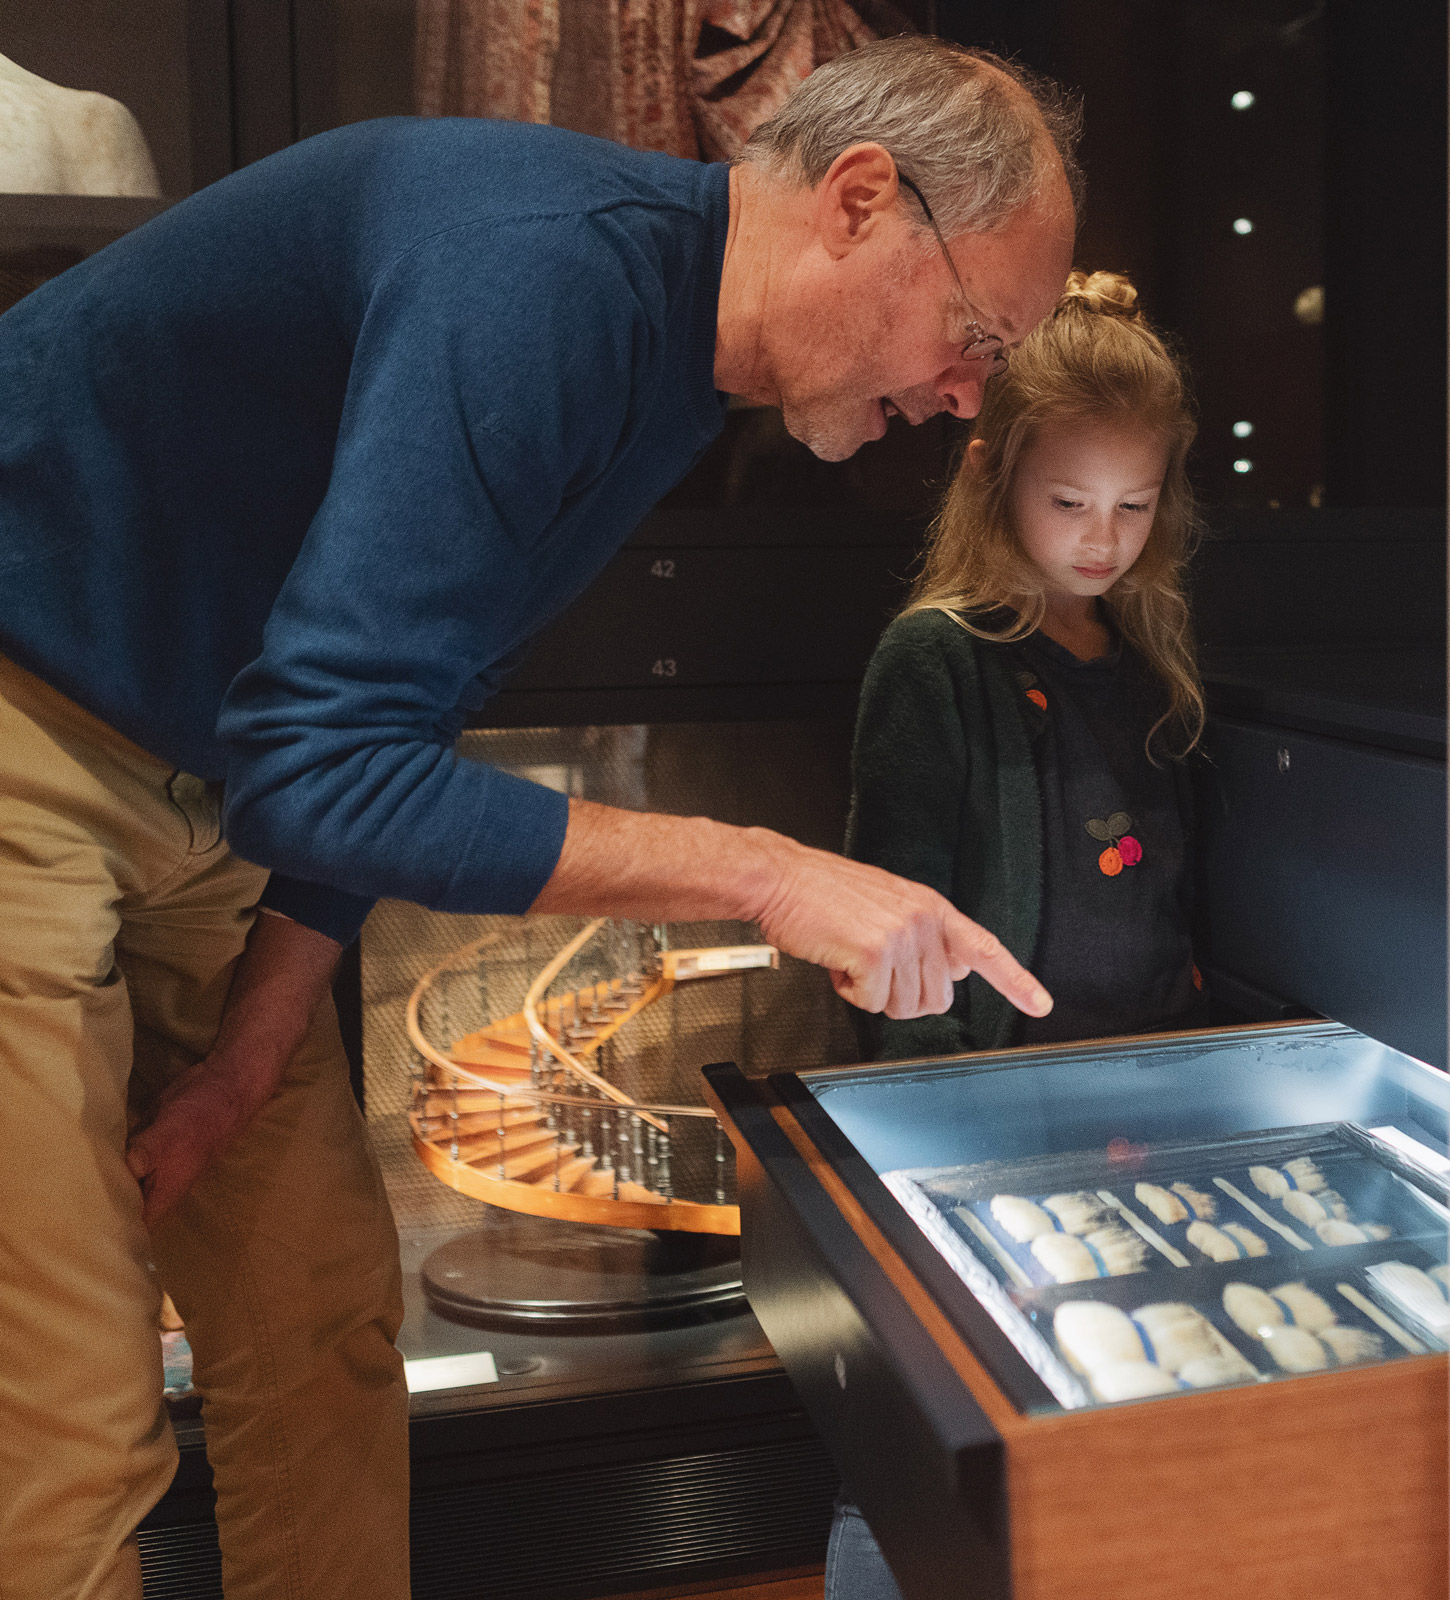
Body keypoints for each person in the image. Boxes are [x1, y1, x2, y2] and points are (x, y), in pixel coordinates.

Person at [0, 37, 1076, 1600]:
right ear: (860, 200)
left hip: (214, 788)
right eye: (977, 332)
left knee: (316, 1317)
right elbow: (325, 763)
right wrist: (765, 872)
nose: (968, 396)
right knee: (74, 1408)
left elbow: (386, 717)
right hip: (24, 726)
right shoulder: (536, 278)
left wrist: (245, 1061)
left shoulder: (669, 369)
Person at [828, 270, 1206, 1597]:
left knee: (1088, 1422)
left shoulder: (1145, 656)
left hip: (1129, 1108)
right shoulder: (938, 659)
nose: (1102, 538)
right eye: (1069, 503)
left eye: (1133, 506)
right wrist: (935, 1125)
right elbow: (891, 914)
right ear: (995, 480)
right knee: (924, 1439)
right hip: (972, 1124)